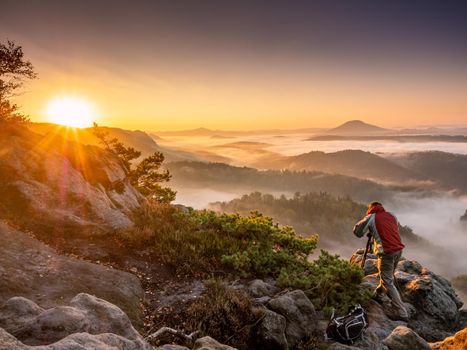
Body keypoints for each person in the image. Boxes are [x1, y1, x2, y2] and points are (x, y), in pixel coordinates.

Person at [353, 201, 409, 321]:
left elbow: (357, 232)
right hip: (398, 250)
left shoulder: (371, 217)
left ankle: (401, 312)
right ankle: (379, 294)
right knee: (386, 277)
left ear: (370, 209)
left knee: (387, 281)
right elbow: (391, 230)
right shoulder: (392, 215)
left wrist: (369, 228)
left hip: (387, 252)